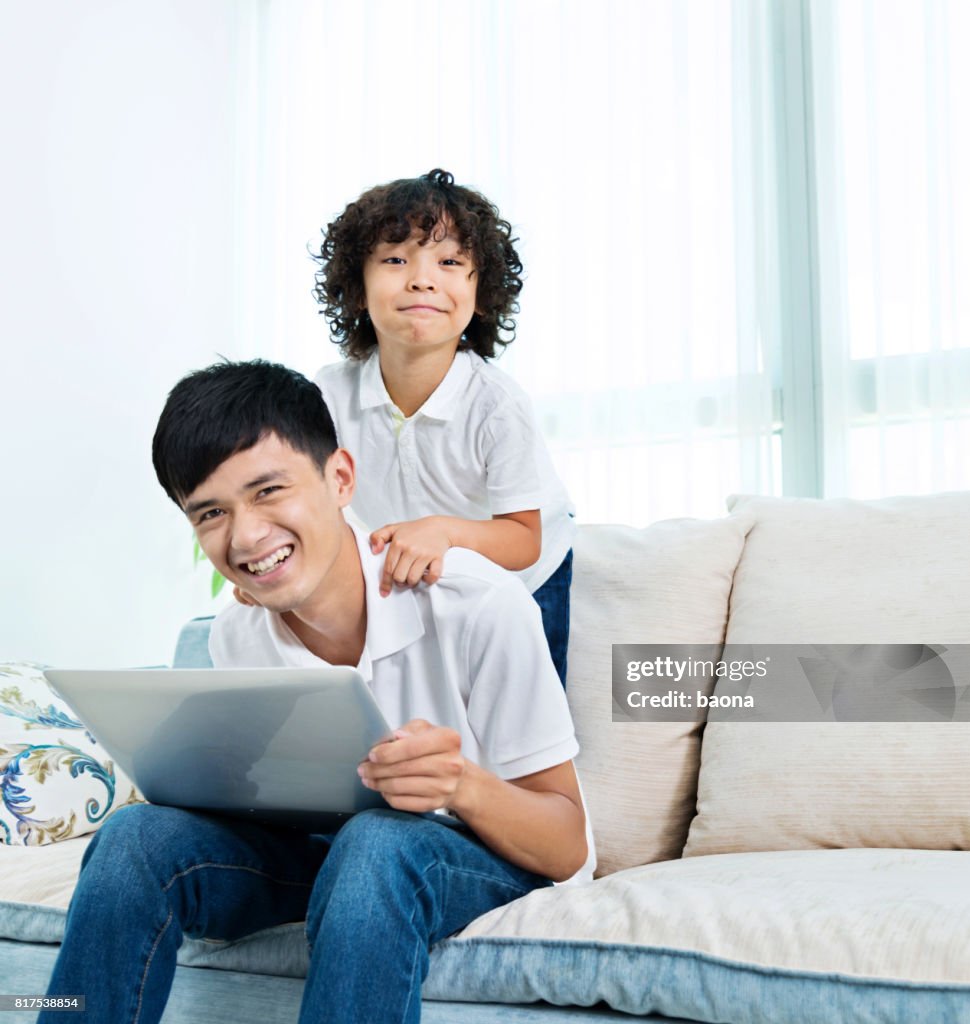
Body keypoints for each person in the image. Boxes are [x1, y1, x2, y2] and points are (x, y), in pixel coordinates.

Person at [41, 360, 592, 1024]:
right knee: (134, 839)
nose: (244, 537)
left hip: (470, 858)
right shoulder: (237, 635)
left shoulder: (477, 605)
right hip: (325, 856)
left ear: (340, 479)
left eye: (269, 490)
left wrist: (459, 786)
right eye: (211, 513)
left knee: (377, 843)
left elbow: (567, 845)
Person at [312, 168, 575, 685]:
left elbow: (525, 541)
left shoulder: (495, 403)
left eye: (450, 261)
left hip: (525, 575)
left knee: (522, 724)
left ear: (481, 293)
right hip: (420, 573)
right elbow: (314, 507)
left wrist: (444, 532)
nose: (422, 278)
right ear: (357, 288)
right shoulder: (329, 395)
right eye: (394, 259)